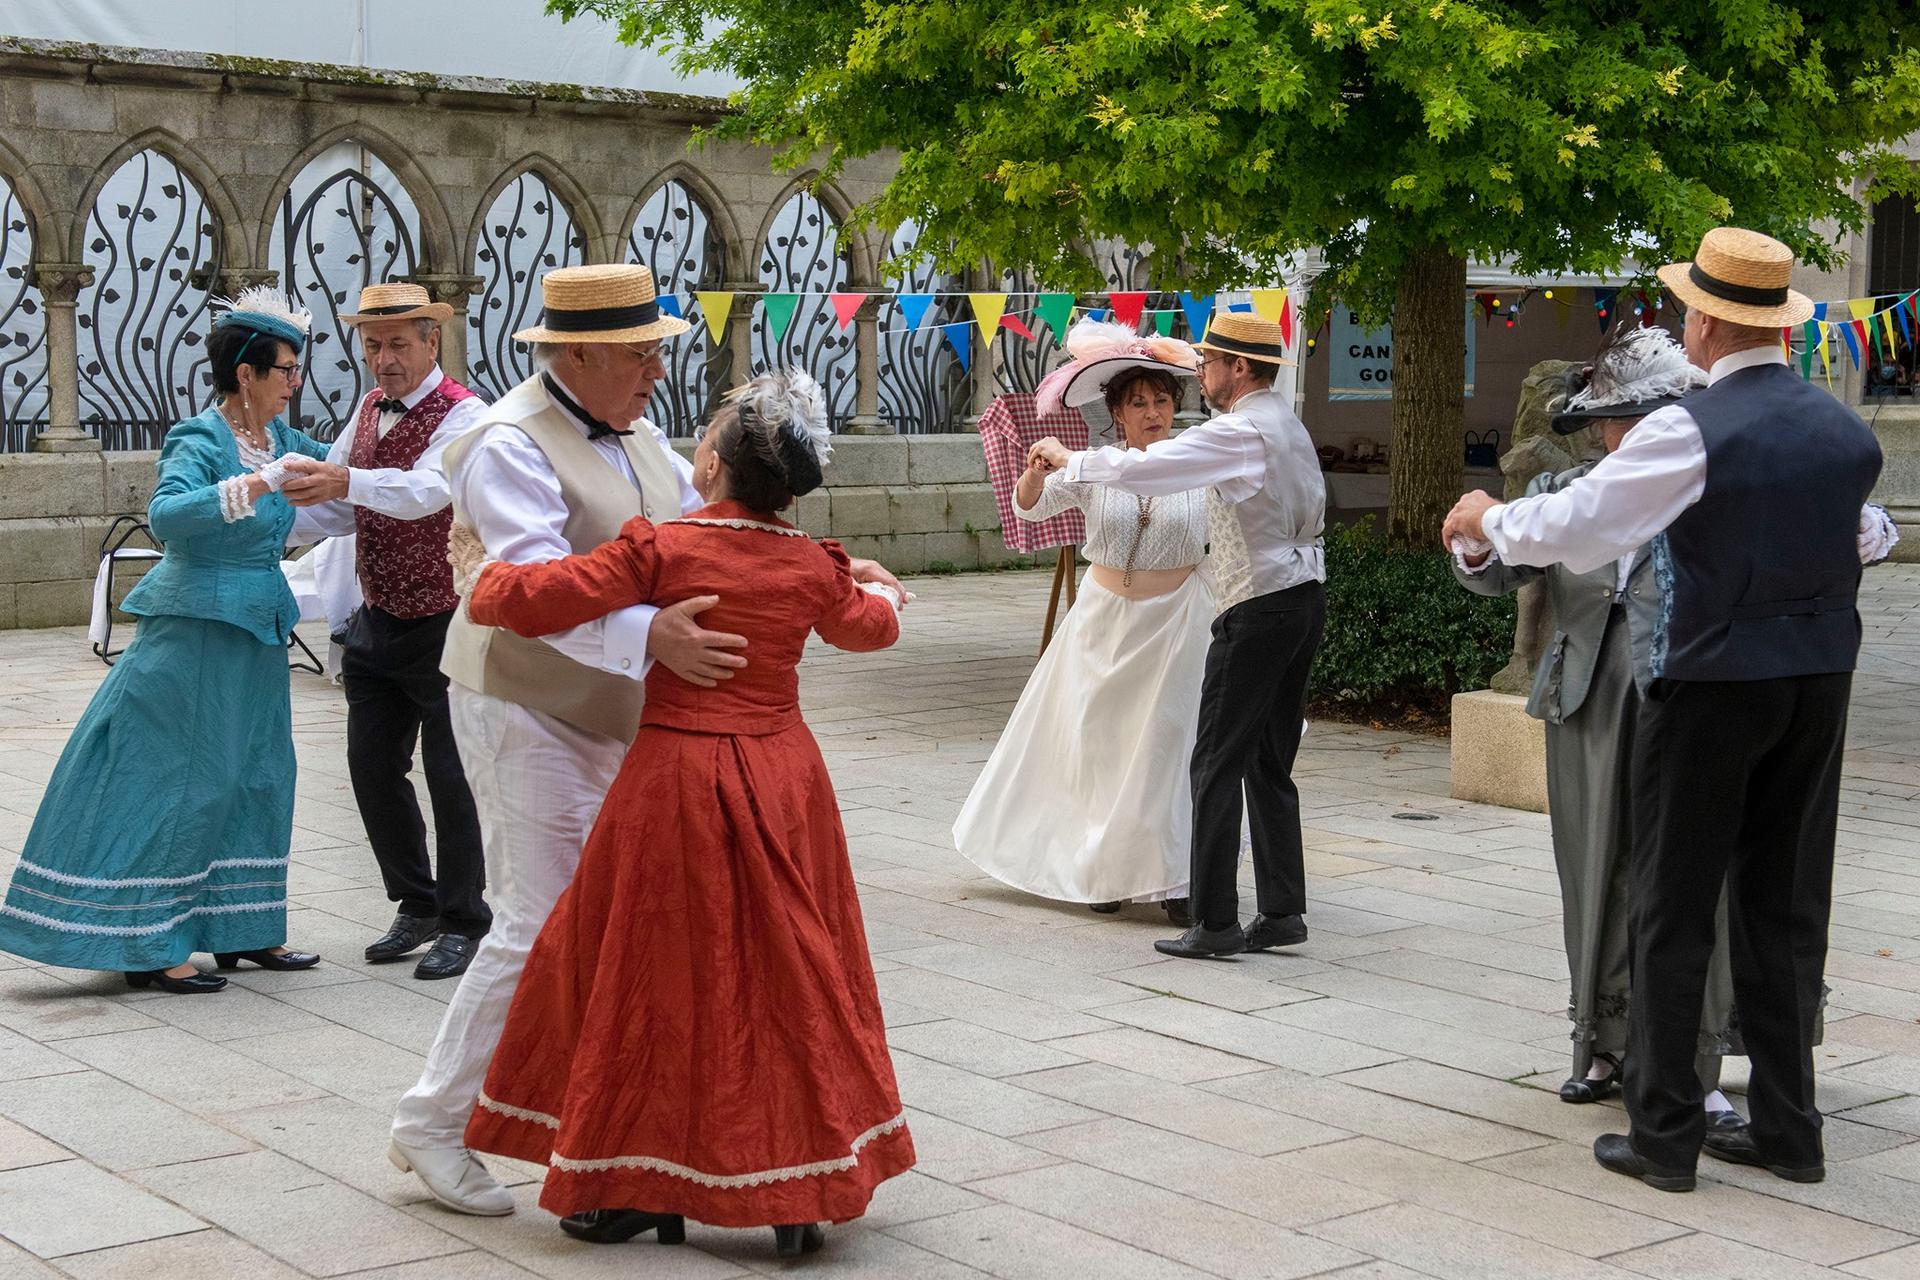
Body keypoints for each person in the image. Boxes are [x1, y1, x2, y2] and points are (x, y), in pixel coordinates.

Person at [387, 263, 904, 1217]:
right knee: (541, 920)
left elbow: (700, 538)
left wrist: (810, 563)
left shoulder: (648, 438)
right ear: (575, 352)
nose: (657, 373)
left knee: (618, 926)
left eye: (659, 352)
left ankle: (612, 1140)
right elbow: (534, 583)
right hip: (529, 702)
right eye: (639, 354)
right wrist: (650, 634)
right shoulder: (504, 441)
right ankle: (433, 1122)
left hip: (639, 715)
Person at [1443, 227, 1887, 1193]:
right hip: (1817, 685)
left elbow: (1582, 521)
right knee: (1784, 905)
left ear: (1709, 324)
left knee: (1671, 905)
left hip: (1711, 682)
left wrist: (1488, 519)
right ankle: (1789, 1129)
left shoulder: (1693, 428)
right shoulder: (1845, 430)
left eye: (1691, 308)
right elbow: (1868, 536)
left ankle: (1664, 1135)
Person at [1452, 327, 1751, 1117]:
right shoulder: (1571, 489)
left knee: (1687, 878)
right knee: (1592, 870)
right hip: (1583, 692)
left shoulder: (1707, 484)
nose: (1612, 435)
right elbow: (1502, 567)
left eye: (1626, 418)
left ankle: (1692, 1059)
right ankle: (1602, 1045)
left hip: (1681, 689)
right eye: (1607, 421)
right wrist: (1474, 547)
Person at [0, 288, 326, 991]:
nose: (296, 381)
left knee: (260, 772)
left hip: (261, 628)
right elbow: (170, 517)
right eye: (286, 369)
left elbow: (347, 477)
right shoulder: (200, 439)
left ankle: (244, 929)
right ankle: (151, 941)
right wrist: (259, 484)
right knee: (187, 781)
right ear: (247, 373)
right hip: (195, 631)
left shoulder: (292, 444)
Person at [1028, 312, 1326, 960]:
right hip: (1304, 600)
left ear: (1239, 368)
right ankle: (1281, 909)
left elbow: (1153, 469)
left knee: (1215, 758)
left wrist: (1073, 458)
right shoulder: (1285, 422)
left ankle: (1214, 920)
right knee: (1267, 761)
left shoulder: (1242, 430)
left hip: (1261, 608)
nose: (1203, 374)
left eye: (1210, 363)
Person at [954, 320, 1208, 922]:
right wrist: (1037, 471)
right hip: (1102, 622)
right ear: (1116, 412)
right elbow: (1031, 506)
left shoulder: (1197, 463)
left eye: (1162, 400)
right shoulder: (1094, 465)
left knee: (1164, 750)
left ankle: (1174, 878)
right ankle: (1102, 869)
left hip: (1174, 623)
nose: (1153, 412)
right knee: (1097, 746)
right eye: (1138, 402)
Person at [282, 283, 490, 980]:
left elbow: (426, 492)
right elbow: (342, 509)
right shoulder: (369, 408)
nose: (384, 360)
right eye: (373, 345)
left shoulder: (467, 416)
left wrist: (343, 482)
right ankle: (417, 901)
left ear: (433, 340)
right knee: (372, 768)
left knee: (451, 773)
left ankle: (467, 920)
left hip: (446, 617)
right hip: (377, 616)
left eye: (399, 343)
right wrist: (270, 514)